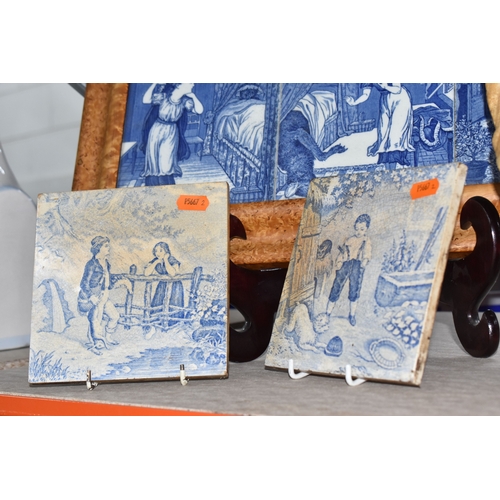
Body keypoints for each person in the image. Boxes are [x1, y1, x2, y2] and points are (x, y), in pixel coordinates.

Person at [77, 236, 132, 354]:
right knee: (96, 319)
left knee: (114, 316)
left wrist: (122, 282)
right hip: (95, 295)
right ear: (99, 248)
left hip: (105, 295)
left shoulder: (106, 263)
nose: (108, 248)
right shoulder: (91, 264)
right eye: (106, 246)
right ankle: (97, 341)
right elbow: (84, 283)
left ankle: (108, 337)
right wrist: (91, 296)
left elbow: (108, 282)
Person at [142, 83, 204, 186]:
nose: (192, 84)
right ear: (179, 85)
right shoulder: (164, 97)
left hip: (171, 132)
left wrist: (193, 96)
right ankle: (153, 186)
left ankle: (166, 185)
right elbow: (145, 100)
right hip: (157, 129)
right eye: (189, 83)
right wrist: (154, 83)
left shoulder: (184, 101)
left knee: (167, 162)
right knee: (154, 159)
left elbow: (199, 110)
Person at [346, 84, 414, 169]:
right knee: (383, 136)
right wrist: (354, 102)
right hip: (385, 101)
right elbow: (366, 94)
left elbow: (397, 90)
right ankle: (387, 169)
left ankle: (395, 168)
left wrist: (384, 86)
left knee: (395, 136)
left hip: (400, 99)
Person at [327, 214, 372, 326]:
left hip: (357, 265)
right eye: (357, 229)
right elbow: (342, 253)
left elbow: (367, 253)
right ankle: (327, 313)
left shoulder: (366, 240)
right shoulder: (349, 240)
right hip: (346, 264)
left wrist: (365, 261)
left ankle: (352, 315)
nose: (358, 232)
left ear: (366, 229)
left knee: (354, 290)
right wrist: (339, 261)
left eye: (362, 229)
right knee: (336, 286)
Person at [144, 242, 185, 336]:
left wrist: (166, 260)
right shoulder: (155, 260)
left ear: (166, 251)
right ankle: (155, 326)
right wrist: (155, 263)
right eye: (156, 251)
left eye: (160, 250)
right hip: (162, 285)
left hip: (175, 286)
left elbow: (173, 273)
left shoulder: (171, 260)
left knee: (173, 304)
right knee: (157, 303)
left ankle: (174, 327)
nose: (157, 253)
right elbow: (146, 273)